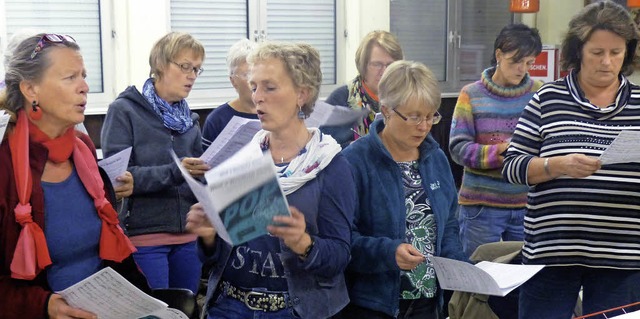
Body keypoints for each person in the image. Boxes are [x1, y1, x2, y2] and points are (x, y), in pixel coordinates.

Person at [186, 41, 356, 319]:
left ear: (302, 93)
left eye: (269, 87)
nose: (257, 97)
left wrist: (304, 243)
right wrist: (208, 236)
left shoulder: (331, 165)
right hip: (229, 307)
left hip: (294, 310)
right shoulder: (244, 154)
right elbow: (216, 256)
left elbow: (339, 257)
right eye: (254, 86)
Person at [502, 1, 640, 318]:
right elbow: (512, 167)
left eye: (616, 53)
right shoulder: (547, 98)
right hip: (552, 255)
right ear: (578, 50)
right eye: (597, 52)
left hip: (623, 259)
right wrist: (557, 165)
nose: (607, 62)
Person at [0, 33, 148, 319]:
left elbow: (116, 255)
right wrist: (42, 306)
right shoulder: (5, 166)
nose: (85, 87)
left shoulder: (83, 152)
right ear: (31, 89)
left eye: (84, 76)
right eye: (70, 77)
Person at [340, 60, 466, 319]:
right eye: (414, 116)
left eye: (431, 115)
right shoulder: (355, 161)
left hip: (430, 302)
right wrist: (388, 252)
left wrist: (458, 265)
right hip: (375, 304)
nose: (424, 126)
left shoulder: (435, 157)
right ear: (386, 110)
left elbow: (449, 224)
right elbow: (342, 240)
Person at [101, 31, 208, 294]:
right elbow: (118, 177)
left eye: (196, 69)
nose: (192, 75)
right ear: (160, 64)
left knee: (187, 310)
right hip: (145, 237)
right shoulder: (124, 111)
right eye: (185, 66)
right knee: (155, 312)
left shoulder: (190, 120)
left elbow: (196, 177)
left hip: (189, 235)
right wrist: (177, 171)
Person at [448, 24, 543, 258]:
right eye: (515, 62)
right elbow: (458, 148)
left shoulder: (539, 93)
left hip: (526, 205)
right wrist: (497, 153)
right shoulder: (472, 94)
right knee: (477, 278)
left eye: (529, 63)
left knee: (521, 280)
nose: (522, 69)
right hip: (481, 205)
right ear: (499, 55)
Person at [321, 30, 403, 148]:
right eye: (377, 64)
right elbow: (324, 149)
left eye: (390, 65)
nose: (384, 72)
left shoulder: (406, 98)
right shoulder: (341, 99)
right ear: (363, 66)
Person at [202, 38, 257, 149]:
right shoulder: (217, 119)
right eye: (247, 75)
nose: (253, 81)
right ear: (233, 81)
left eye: (256, 73)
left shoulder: (276, 113)